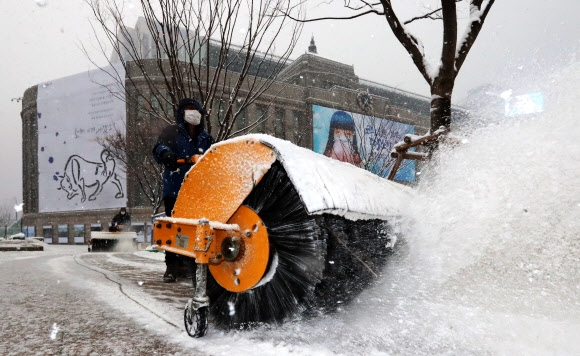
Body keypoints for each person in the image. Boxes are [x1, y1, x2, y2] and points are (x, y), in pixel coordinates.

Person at [153, 98, 215, 283]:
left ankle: (192, 264)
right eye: (188, 109)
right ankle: (172, 266)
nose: (192, 113)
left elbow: (215, 156)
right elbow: (159, 148)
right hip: (175, 189)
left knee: (197, 229)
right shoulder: (172, 132)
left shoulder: (206, 138)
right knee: (175, 228)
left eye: (195, 109)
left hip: (198, 191)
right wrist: (167, 154)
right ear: (182, 113)